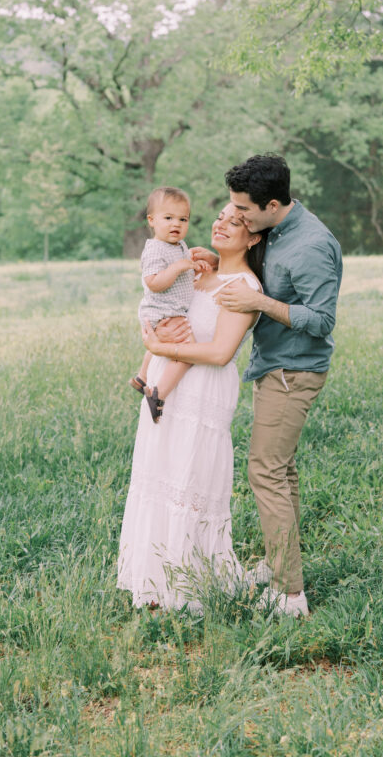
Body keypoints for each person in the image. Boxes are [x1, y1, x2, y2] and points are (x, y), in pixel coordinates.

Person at [117, 203, 264, 613]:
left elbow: (219, 353)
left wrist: (159, 346)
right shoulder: (198, 268)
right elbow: (159, 301)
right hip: (168, 383)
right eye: (219, 216)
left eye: (234, 222)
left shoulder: (245, 285)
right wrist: (154, 333)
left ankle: (190, 584)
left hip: (202, 388)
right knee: (159, 473)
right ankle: (153, 580)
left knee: (188, 477)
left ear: (253, 237)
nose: (220, 224)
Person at [215, 154, 342, 618]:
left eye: (244, 210)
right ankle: (277, 563)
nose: (238, 217)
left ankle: (291, 595)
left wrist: (258, 302)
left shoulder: (310, 245)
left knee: (265, 470)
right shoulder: (276, 228)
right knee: (280, 471)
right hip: (273, 365)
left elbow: (322, 319)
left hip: (294, 372)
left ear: (272, 203)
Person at [130, 186, 201, 423]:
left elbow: (181, 275)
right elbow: (153, 283)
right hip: (163, 311)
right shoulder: (154, 249)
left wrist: (193, 268)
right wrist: (178, 267)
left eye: (183, 219)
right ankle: (158, 393)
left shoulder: (179, 245)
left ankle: (141, 378)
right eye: (168, 218)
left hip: (171, 309)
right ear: (151, 220)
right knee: (188, 353)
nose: (176, 224)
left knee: (161, 344)